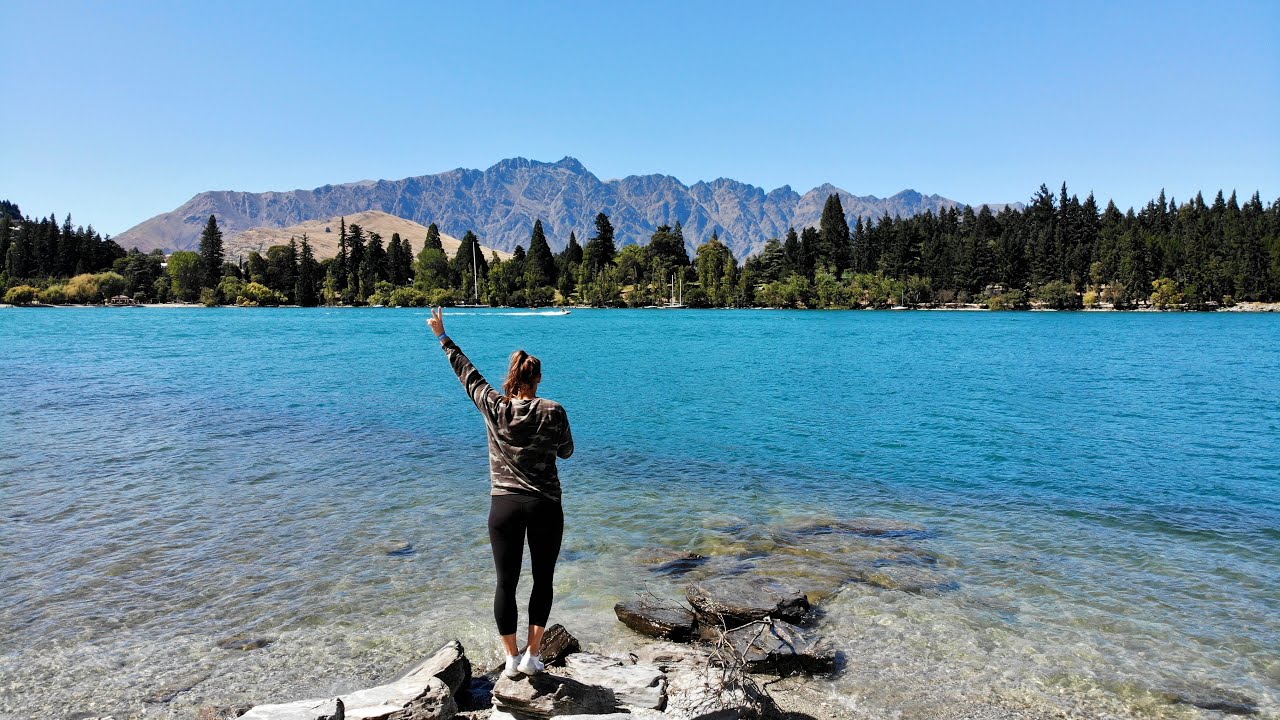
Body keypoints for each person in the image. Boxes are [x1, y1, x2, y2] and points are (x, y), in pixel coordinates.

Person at [426, 306, 574, 678]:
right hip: (544, 505)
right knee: (543, 580)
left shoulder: (494, 406)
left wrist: (443, 337)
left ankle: (510, 659)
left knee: (505, 583)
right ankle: (533, 656)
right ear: (538, 378)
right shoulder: (553, 410)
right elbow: (567, 451)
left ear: (512, 378)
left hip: (503, 506)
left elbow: (468, 374)